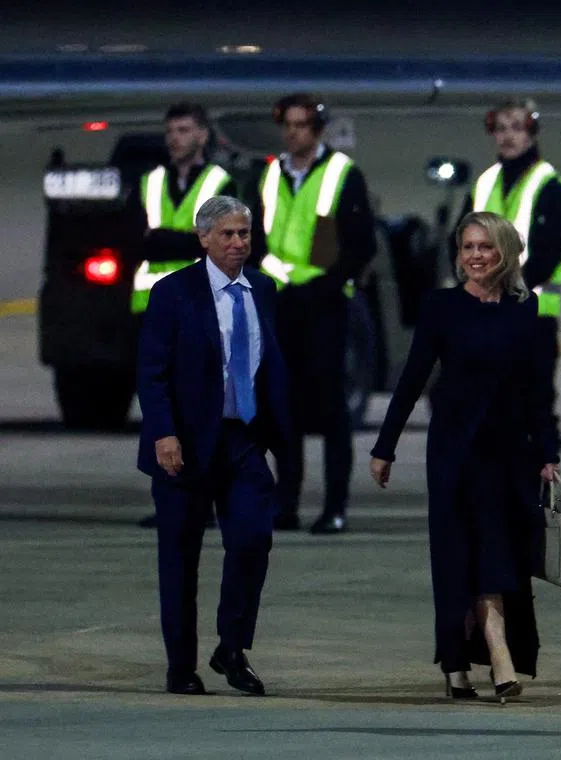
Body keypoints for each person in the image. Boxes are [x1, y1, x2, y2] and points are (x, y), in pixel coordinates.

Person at [369, 211, 559, 702]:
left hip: (509, 452)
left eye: (485, 247)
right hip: (455, 450)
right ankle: (495, 659)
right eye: (467, 247)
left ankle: (458, 664)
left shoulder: (524, 307)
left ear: (504, 253)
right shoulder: (441, 306)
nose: (475, 256)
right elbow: (412, 378)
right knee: (462, 555)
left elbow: (536, 387)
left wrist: (548, 450)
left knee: (498, 553)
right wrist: (384, 446)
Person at [136, 196, 291, 696]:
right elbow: (152, 371)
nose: (238, 243)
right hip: (183, 443)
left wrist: (280, 436)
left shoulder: (262, 290)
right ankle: (181, 665)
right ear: (204, 238)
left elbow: (271, 367)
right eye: (227, 235)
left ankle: (231, 646)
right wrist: (163, 433)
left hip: (240, 439)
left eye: (244, 234)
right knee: (180, 559)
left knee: (252, 539)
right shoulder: (173, 293)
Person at [250, 92, 379, 535]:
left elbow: (362, 245)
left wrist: (325, 285)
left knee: (330, 410)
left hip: (325, 306)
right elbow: (257, 239)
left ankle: (335, 506)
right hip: (281, 303)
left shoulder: (343, 176)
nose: (292, 132)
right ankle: (285, 504)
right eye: (287, 124)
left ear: (318, 130)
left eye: (301, 125)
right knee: (280, 408)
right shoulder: (270, 175)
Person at [453, 97, 561, 448]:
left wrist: (501, 290)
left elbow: (547, 255)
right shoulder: (483, 185)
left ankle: (542, 496)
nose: (508, 137)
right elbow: (457, 243)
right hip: (483, 316)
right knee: (486, 415)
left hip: (531, 317)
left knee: (534, 412)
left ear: (532, 133)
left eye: (517, 128)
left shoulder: (551, 187)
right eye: (501, 128)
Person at [135, 102, 236, 529]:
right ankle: (170, 499)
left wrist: (165, 241)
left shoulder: (219, 182)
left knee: (204, 408)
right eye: (170, 130)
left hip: (202, 307)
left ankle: (207, 500)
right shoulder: (151, 182)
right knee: (160, 408)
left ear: (202, 136)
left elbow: (214, 244)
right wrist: (183, 241)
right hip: (153, 306)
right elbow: (137, 240)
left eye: (183, 130)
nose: (175, 138)